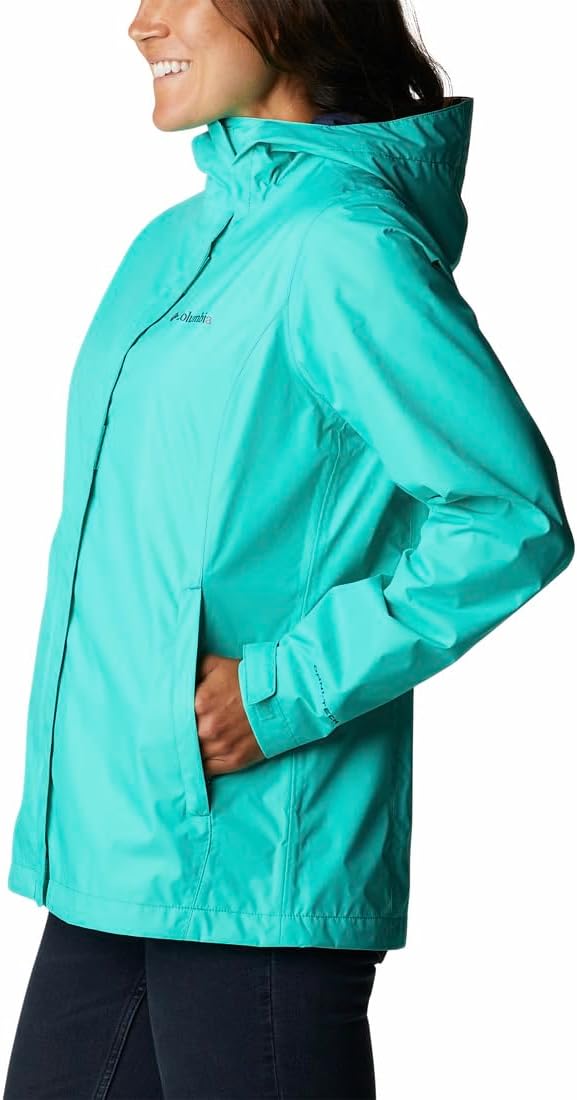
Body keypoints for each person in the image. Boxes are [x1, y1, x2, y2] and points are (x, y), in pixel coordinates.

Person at [4, 1, 574, 1098]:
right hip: (117, 858)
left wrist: (281, 690)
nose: (139, 23)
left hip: (256, 868)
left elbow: (505, 515)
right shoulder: (174, 246)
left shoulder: (343, 246)